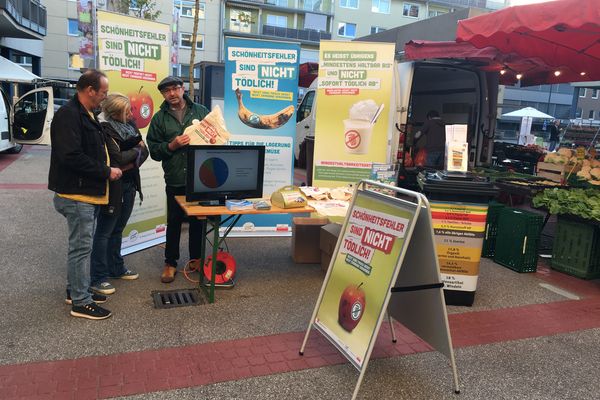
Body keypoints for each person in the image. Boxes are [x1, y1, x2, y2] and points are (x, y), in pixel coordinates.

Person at [49, 69, 122, 320]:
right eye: (103, 92)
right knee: (80, 249)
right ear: (90, 90)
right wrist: (106, 171)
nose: (105, 97)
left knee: (80, 248)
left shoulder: (85, 113)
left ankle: (75, 290)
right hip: (76, 195)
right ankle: (81, 302)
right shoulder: (68, 115)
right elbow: (70, 156)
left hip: (84, 194)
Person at [147, 76, 209, 283]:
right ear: (163, 95)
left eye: (175, 88)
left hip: (200, 178)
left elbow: (215, 137)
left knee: (198, 222)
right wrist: (171, 146)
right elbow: (154, 151)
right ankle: (170, 263)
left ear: (183, 89)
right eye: (167, 91)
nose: (172, 94)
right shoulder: (159, 119)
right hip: (175, 178)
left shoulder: (201, 111)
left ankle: (196, 260)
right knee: (173, 222)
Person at [90, 94, 148, 295]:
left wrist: (131, 158)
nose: (132, 114)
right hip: (113, 186)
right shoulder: (103, 127)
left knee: (119, 228)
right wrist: (135, 150)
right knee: (104, 231)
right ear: (115, 113)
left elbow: (145, 151)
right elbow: (115, 158)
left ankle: (116, 267)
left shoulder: (130, 125)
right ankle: (98, 276)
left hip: (130, 183)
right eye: (127, 111)